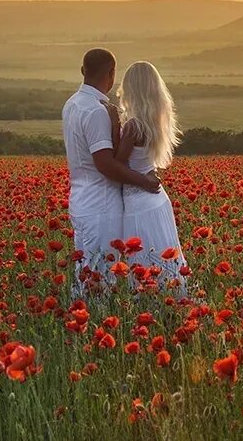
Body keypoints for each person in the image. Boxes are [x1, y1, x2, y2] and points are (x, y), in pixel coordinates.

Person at [61, 48, 160, 298]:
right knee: (100, 275)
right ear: (111, 73)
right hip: (101, 204)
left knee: (84, 273)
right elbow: (105, 164)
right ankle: (95, 326)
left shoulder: (71, 104)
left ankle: (79, 322)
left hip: (80, 199)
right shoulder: (96, 111)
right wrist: (145, 182)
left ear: (83, 71)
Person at [106, 61, 187, 296]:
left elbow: (117, 163)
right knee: (163, 259)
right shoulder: (156, 120)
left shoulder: (133, 125)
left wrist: (113, 125)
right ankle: (170, 303)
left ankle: (149, 309)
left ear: (132, 88)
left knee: (141, 262)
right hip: (157, 200)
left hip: (138, 202)